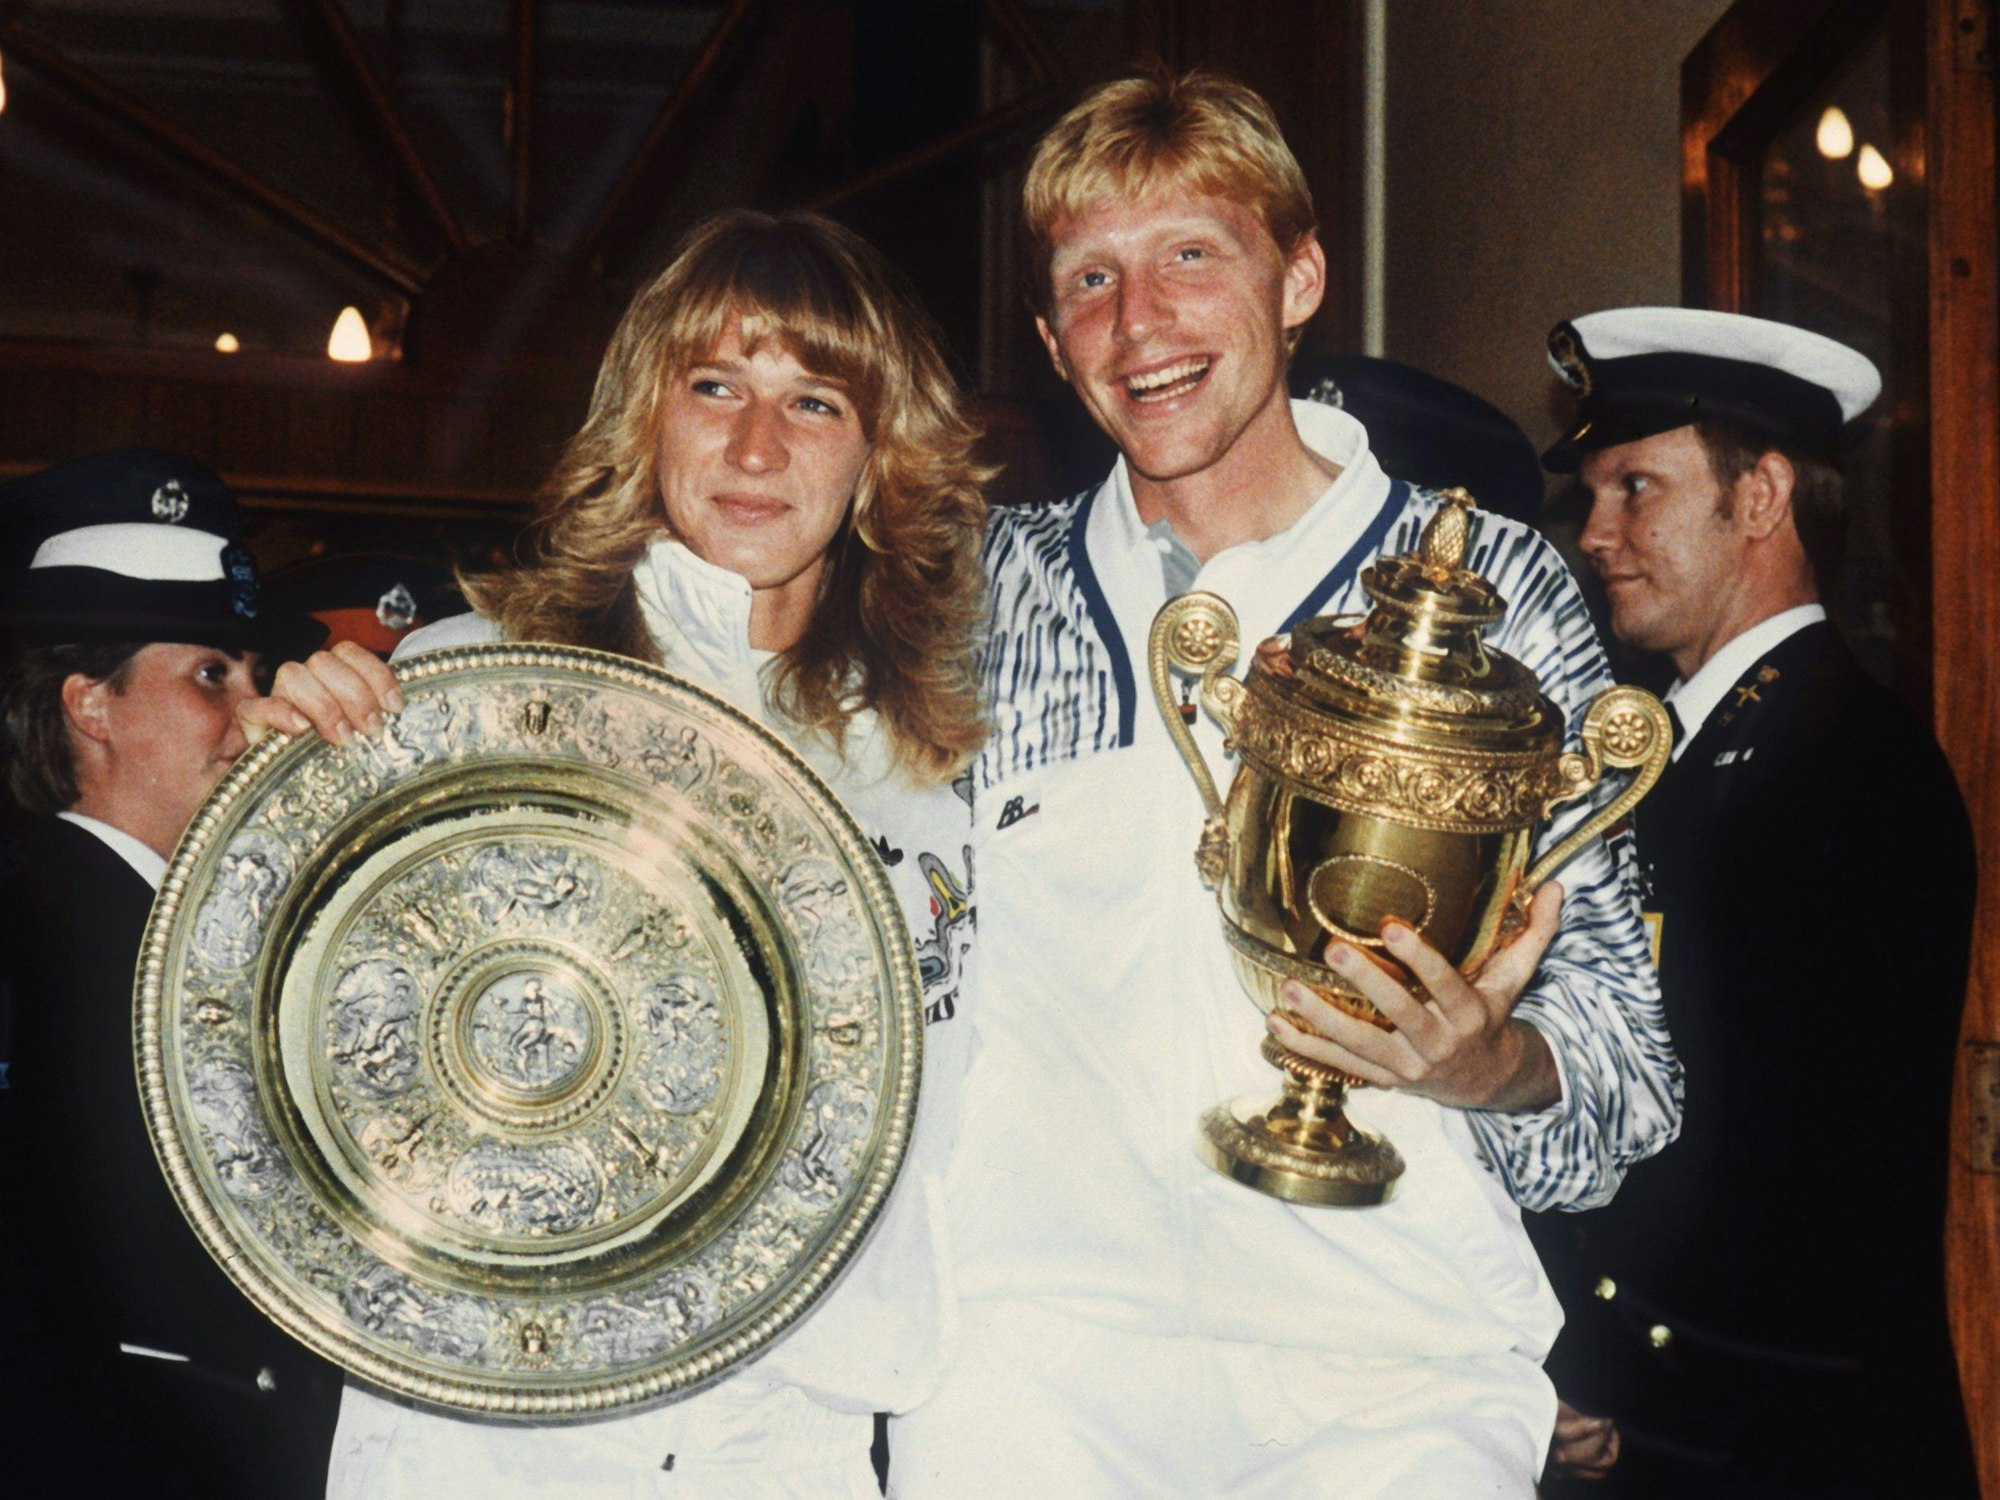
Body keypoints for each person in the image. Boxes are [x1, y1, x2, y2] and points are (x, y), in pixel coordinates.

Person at [890, 68, 1679, 1499]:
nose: (1141, 324)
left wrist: (1487, 1066)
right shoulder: (970, 593)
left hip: (1388, 1374)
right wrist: (375, 679)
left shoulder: (1496, 585)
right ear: (1051, 341)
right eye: (1090, 279)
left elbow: (1629, 1076)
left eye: (1193, 254)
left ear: (1299, 278)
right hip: (1029, 1366)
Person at [246, 208, 989, 1497]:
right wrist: (271, 807)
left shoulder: (934, 764)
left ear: (878, 454)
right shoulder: (466, 686)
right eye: (713, 387)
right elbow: (292, 1054)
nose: (755, 445)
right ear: (644, 415)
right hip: (494, 1427)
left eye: (814, 401)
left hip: (791, 1435)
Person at [1529, 306, 1979, 1497]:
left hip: (1772, 1432)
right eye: (1589, 495)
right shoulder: (1682, 745)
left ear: (1761, 498)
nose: (1591, 533)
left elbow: (1785, 1148)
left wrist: (1602, 1353)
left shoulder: (1844, 759)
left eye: (1634, 488)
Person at [0, 449, 339, 1496]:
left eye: (251, 675)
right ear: (89, 705)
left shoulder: (211, 924)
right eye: (209, 674)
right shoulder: (28, 924)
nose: (253, 715)